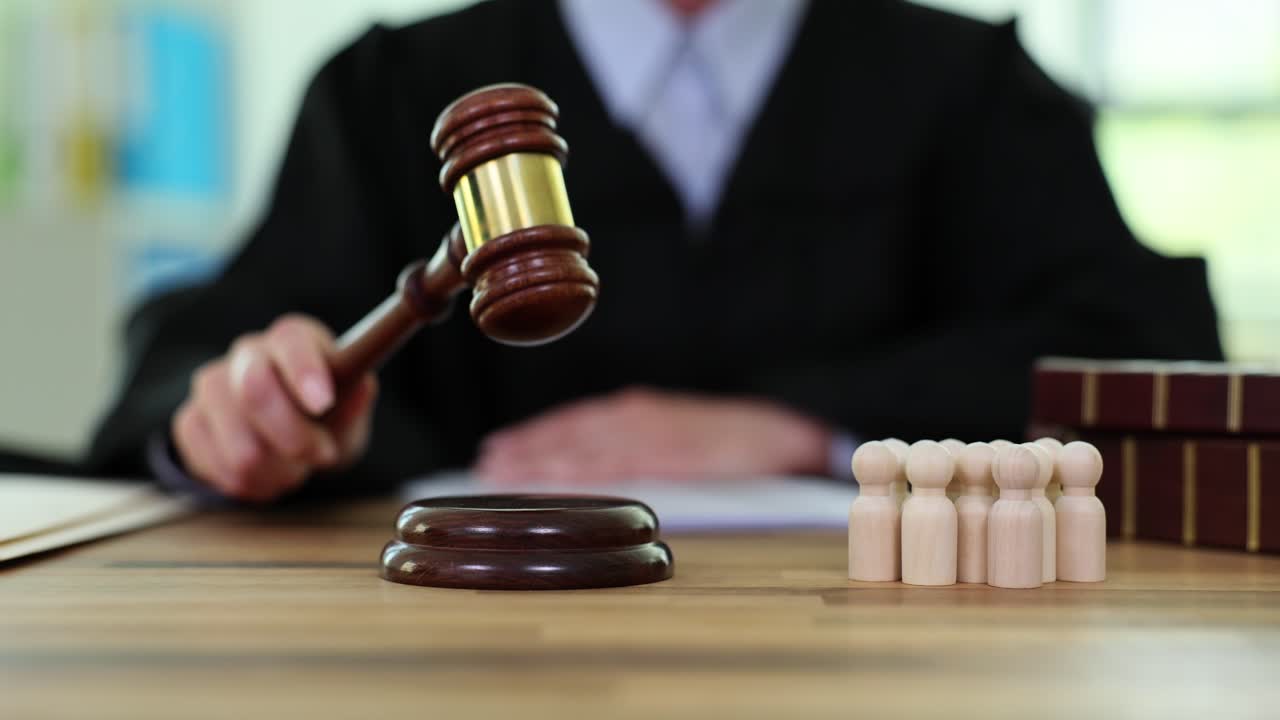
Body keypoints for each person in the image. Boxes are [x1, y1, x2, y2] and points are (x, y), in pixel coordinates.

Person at [87, 0, 1222, 503]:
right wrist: (239, 415)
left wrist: (802, 430)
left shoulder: (971, 90)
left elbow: (1141, 350)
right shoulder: (387, 90)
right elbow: (207, 342)